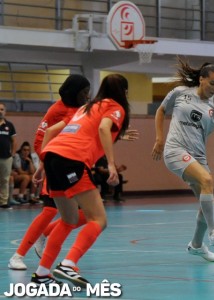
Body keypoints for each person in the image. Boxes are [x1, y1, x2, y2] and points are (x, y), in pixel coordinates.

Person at [30, 73, 130, 287]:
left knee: (69, 219)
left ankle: (41, 274)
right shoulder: (116, 107)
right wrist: (111, 163)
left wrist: (41, 165)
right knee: (99, 219)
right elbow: (104, 128)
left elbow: (52, 131)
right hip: (72, 160)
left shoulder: (87, 107)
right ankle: (68, 264)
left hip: (53, 158)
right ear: (125, 93)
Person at [152, 58, 214, 262]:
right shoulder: (181, 93)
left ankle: (196, 246)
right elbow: (161, 110)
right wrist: (159, 138)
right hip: (175, 150)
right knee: (207, 180)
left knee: (204, 204)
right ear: (201, 80)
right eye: (212, 83)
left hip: (197, 156)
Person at [8, 74, 91, 270]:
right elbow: (39, 141)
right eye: (84, 92)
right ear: (74, 92)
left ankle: (44, 235)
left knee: (89, 214)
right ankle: (17, 256)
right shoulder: (56, 110)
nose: (87, 96)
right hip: (57, 164)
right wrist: (47, 164)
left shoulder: (80, 109)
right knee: (50, 210)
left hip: (75, 165)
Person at [0, 102, 17, 210]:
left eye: (2, 109)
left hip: (6, 157)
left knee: (5, 180)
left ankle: (4, 202)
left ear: (5, 112)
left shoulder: (9, 125)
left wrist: (13, 154)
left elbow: (14, 141)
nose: (0, 111)